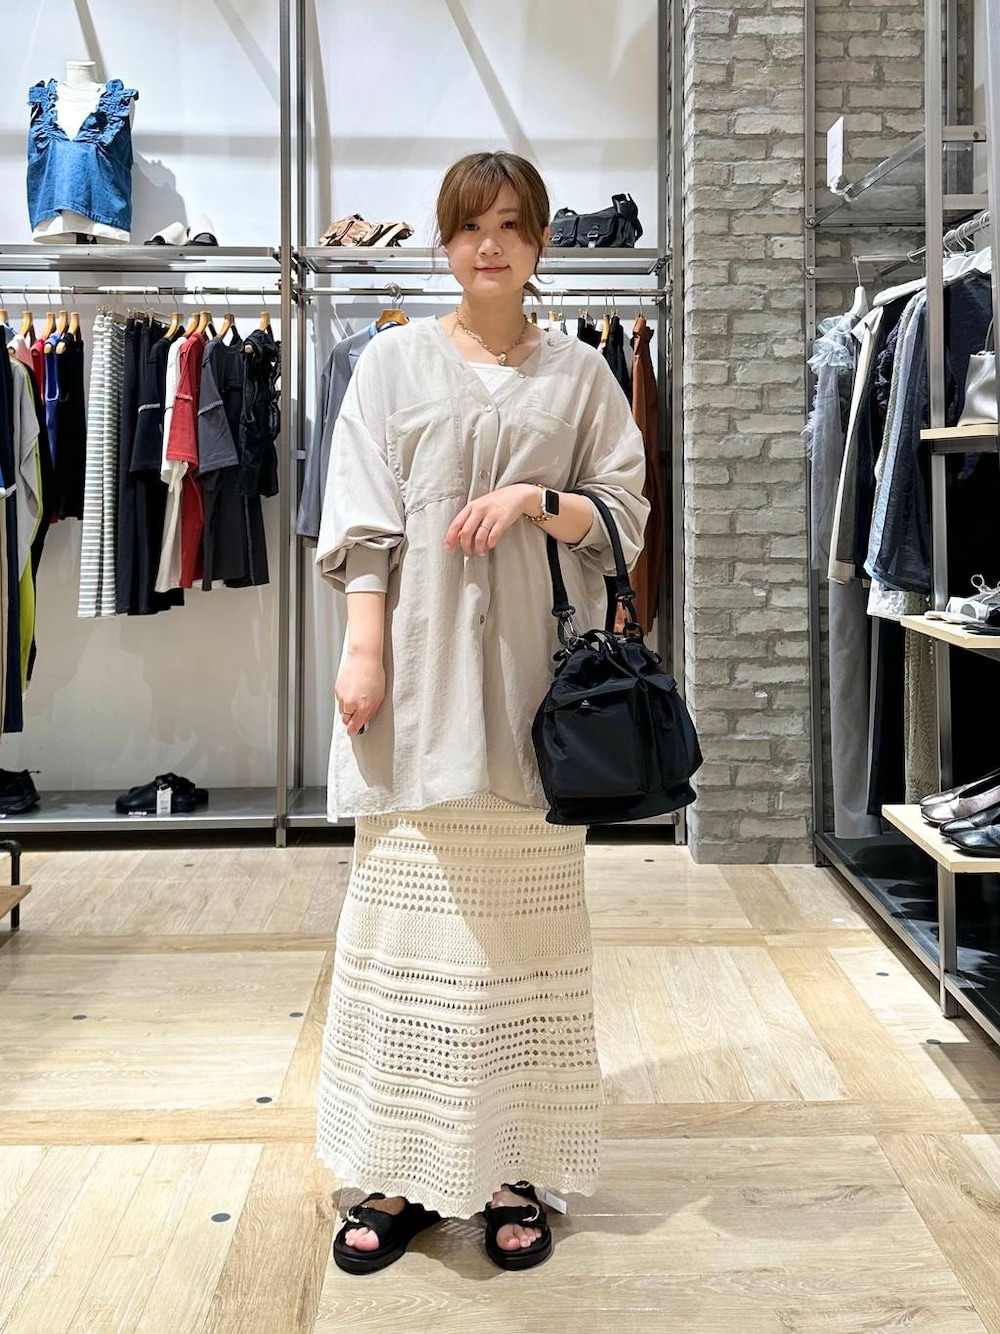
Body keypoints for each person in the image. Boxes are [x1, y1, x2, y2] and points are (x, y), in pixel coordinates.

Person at [314, 150, 649, 1274]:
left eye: (510, 225)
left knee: (521, 946)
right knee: (406, 933)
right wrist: (363, 650)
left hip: (531, 697)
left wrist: (536, 500)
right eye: (468, 226)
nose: (488, 244)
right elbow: (361, 520)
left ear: (540, 242)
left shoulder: (582, 375)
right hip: (416, 683)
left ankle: (511, 1168)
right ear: (444, 243)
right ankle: (401, 1170)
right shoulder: (390, 362)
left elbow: (625, 514)